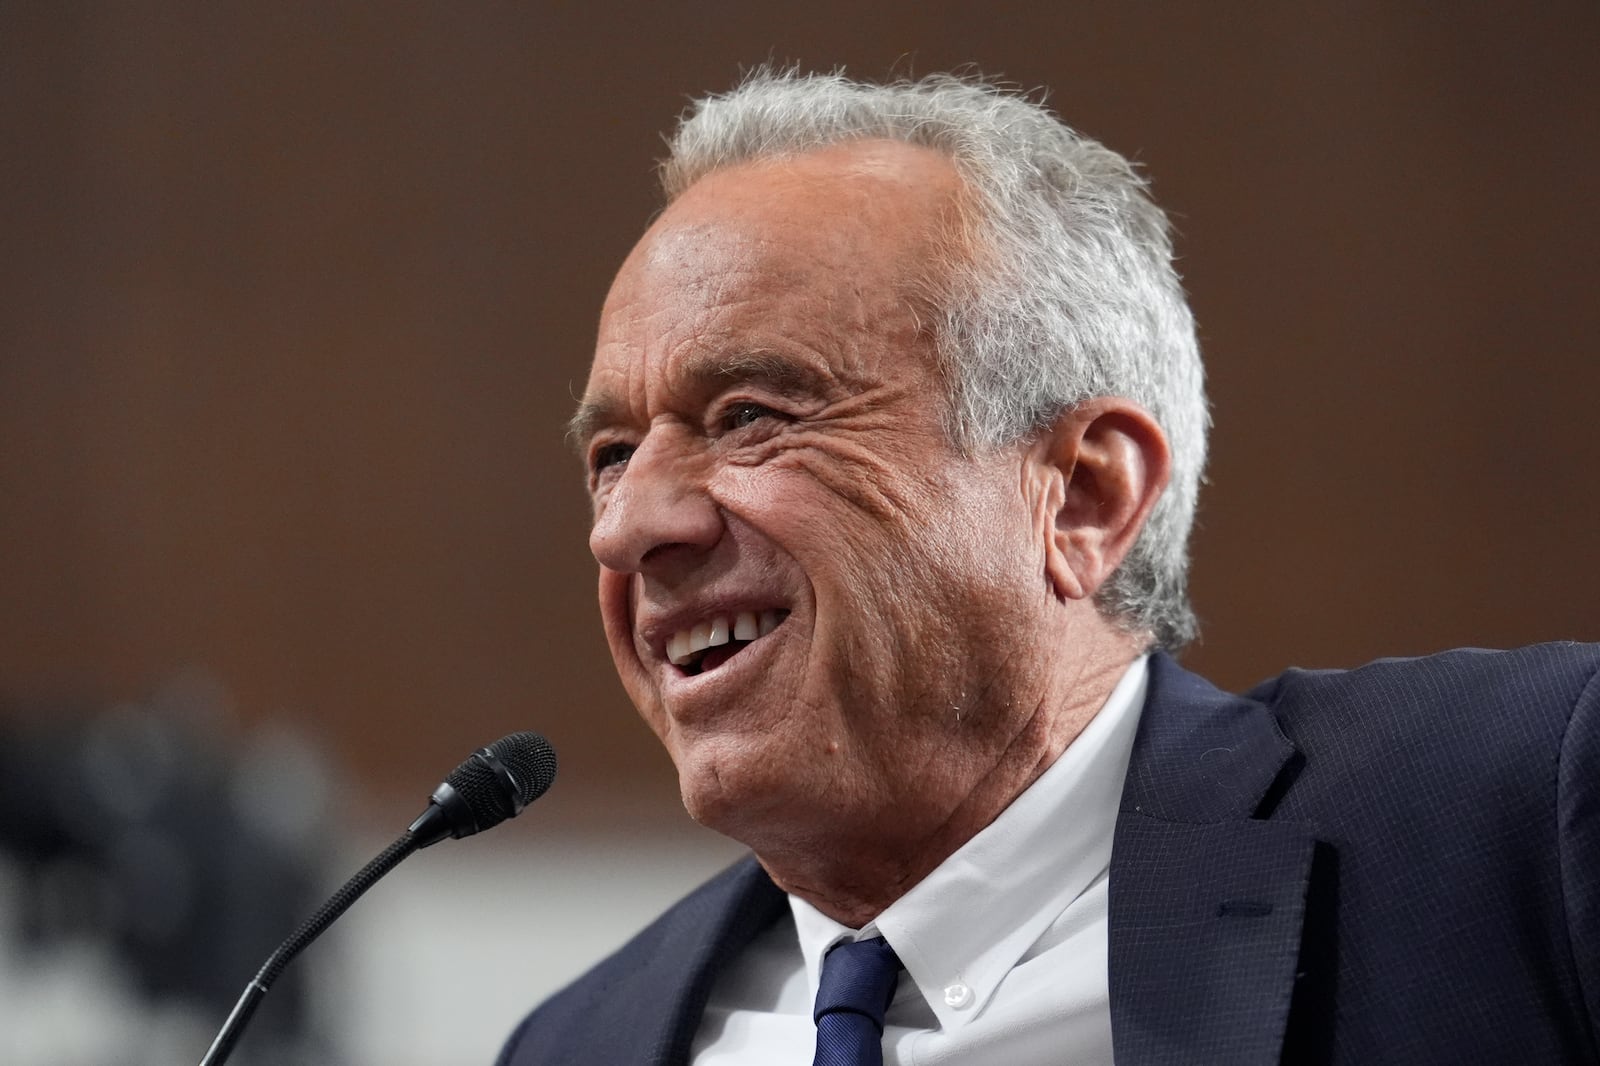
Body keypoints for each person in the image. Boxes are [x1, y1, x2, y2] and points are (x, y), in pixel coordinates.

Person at [497, 70, 1600, 1065]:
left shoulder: (1511, 828)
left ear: (1083, 495)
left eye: (748, 417)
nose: (627, 525)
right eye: (611, 455)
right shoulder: (576, 1041)